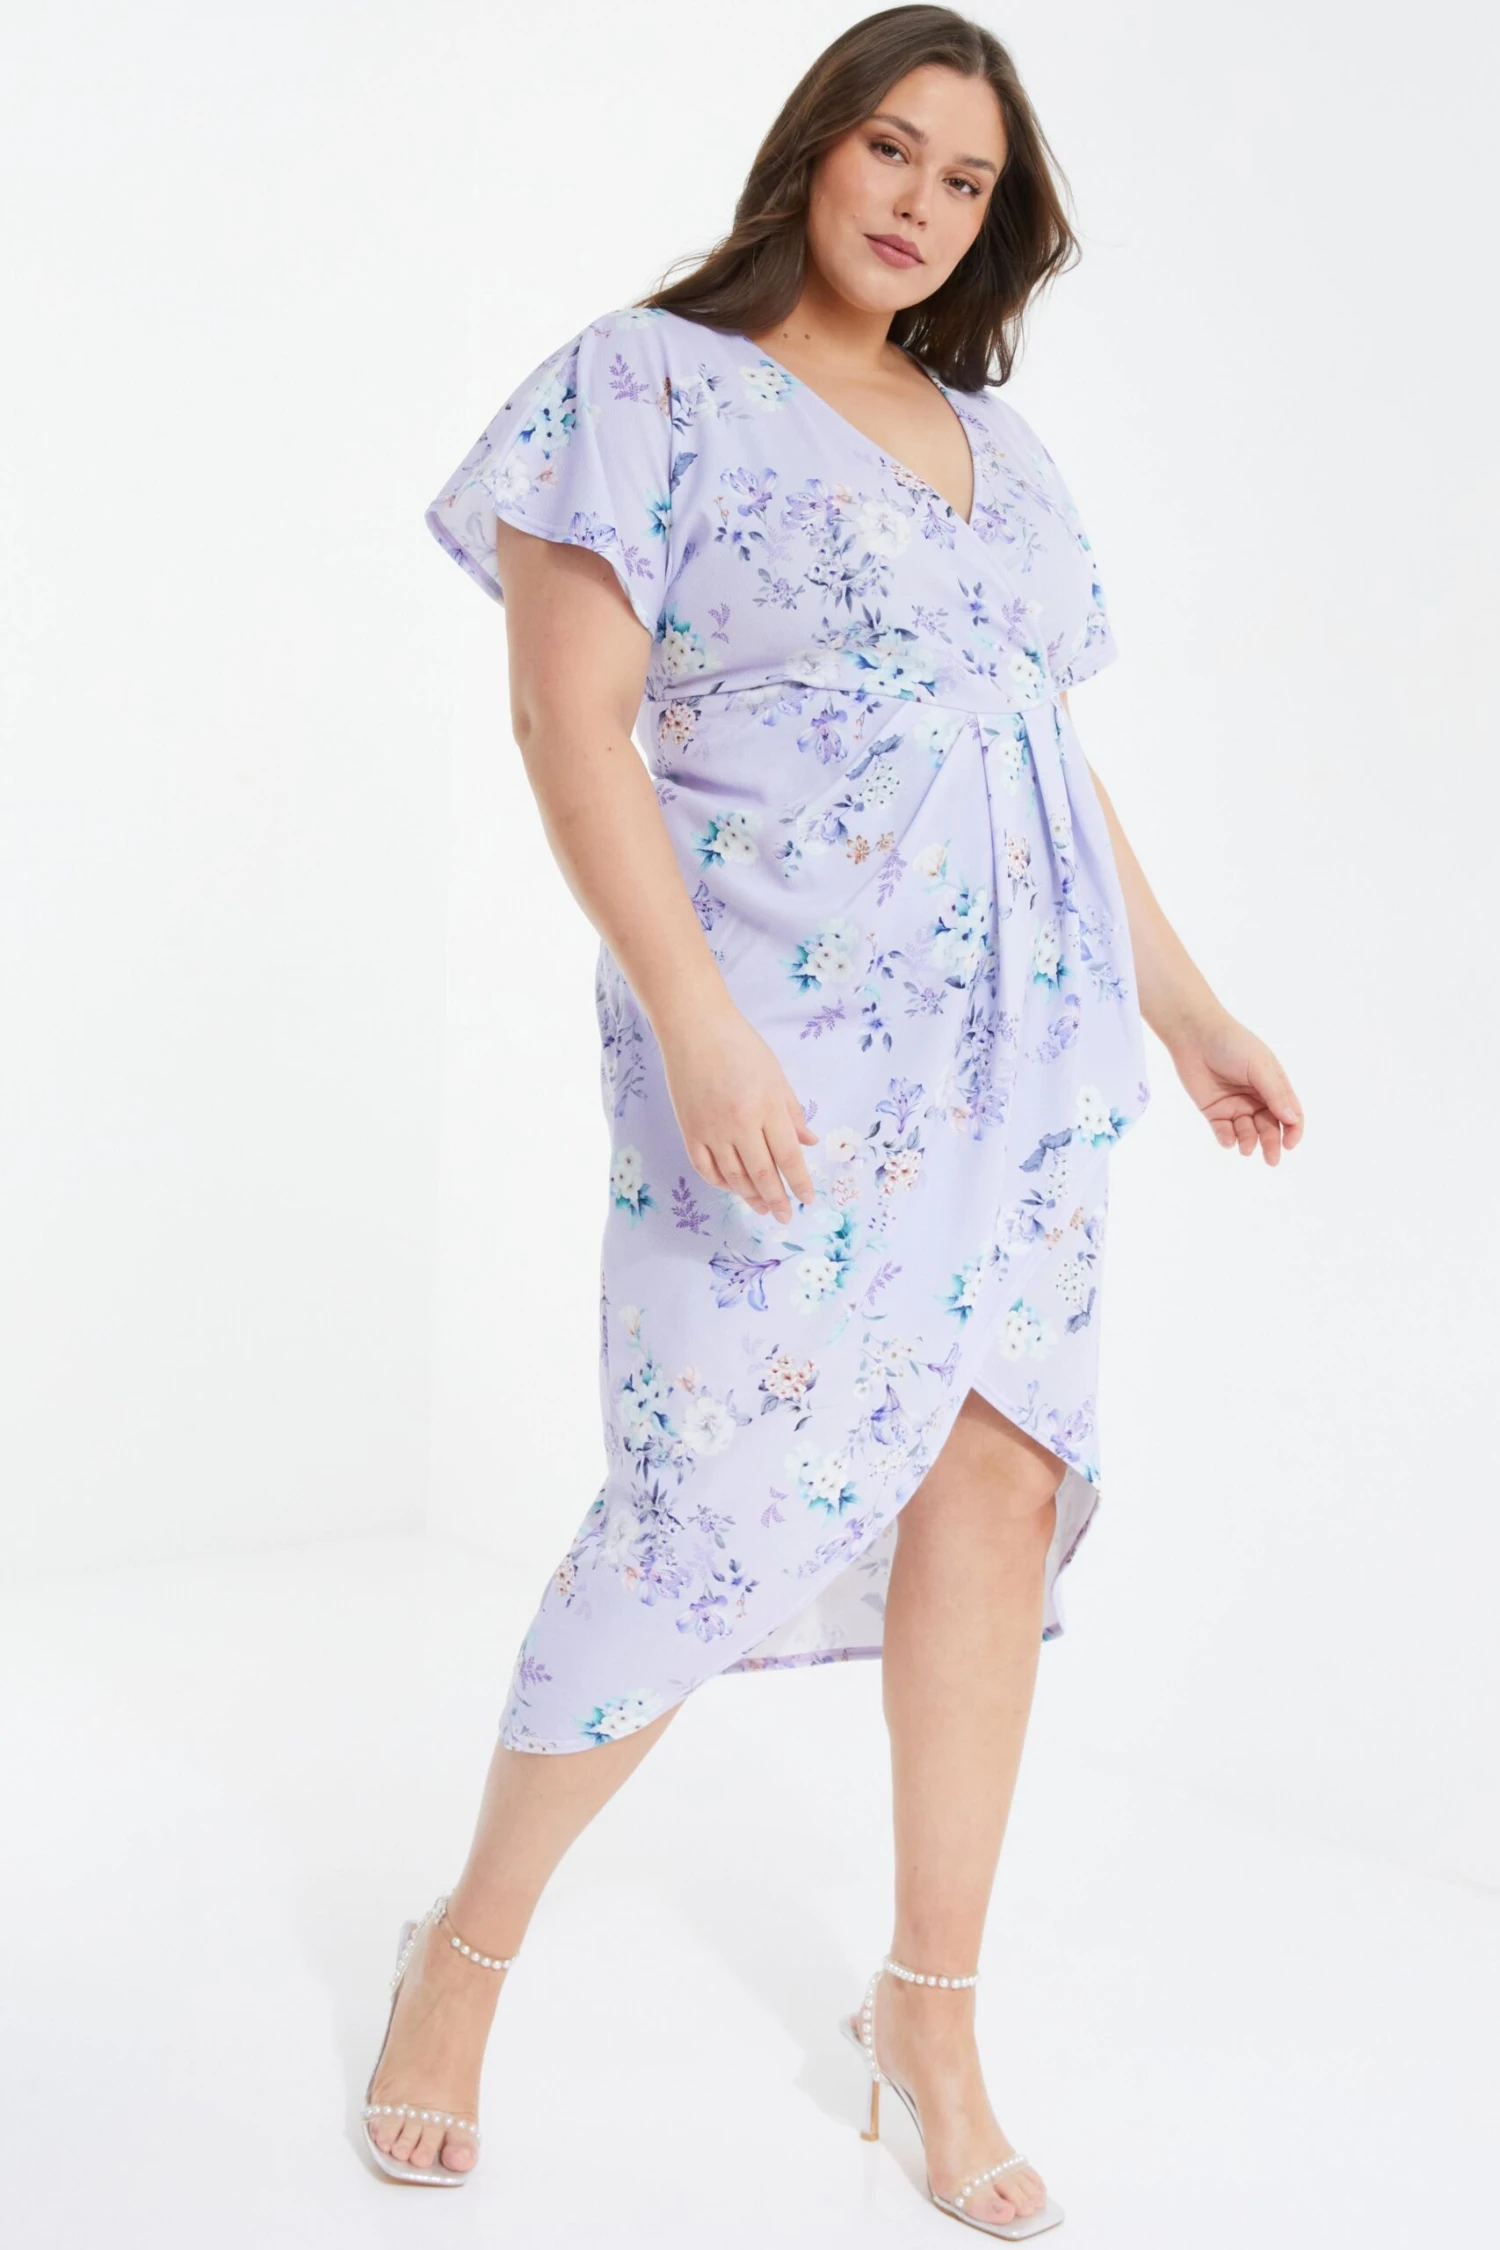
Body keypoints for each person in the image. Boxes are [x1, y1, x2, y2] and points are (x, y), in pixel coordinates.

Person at [362, 6, 1303, 2234]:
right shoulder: (645, 384)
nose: (920, 203)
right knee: (697, 1513)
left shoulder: (1003, 450)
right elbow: (566, 719)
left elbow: (1034, 746)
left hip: (1022, 1067)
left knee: (995, 1480)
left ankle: (928, 2015)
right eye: (892, 149)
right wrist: (693, 1019)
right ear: (814, 149)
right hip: (779, 1050)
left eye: (968, 181)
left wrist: (1184, 1004)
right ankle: (463, 1954)